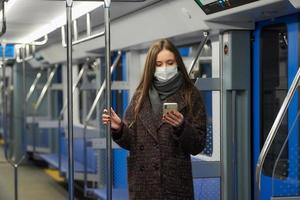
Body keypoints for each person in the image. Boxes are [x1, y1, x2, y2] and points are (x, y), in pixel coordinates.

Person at [102, 39, 207, 200]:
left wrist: (181, 126)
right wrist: (119, 129)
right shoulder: (140, 96)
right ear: (152, 67)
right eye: (158, 64)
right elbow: (132, 143)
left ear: (177, 63)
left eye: (169, 62)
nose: (164, 68)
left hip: (174, 183)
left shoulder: (191, 95)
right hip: (144, 183)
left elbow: (198, 145)